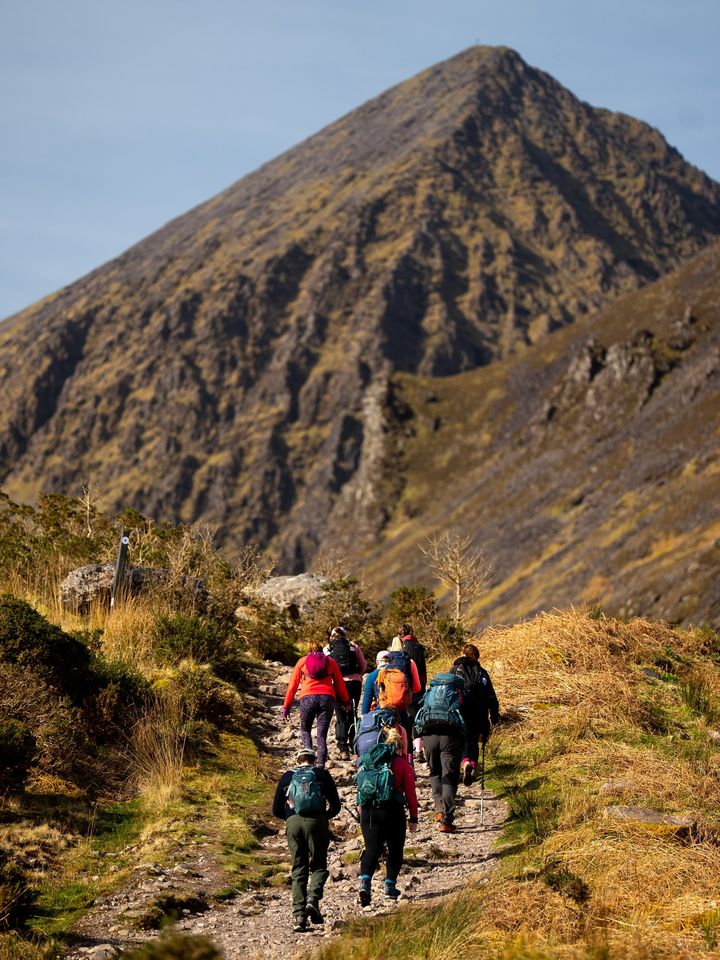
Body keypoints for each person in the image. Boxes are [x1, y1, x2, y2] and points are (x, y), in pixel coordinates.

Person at [272, 747, 342, 932]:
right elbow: (336, 806)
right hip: (317, 821)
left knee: (298, 868)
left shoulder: (287, 776)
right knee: (318, 863)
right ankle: (313, 898)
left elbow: (275, 810)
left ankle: (299, 917)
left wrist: (290, 817)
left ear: (298, 761)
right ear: (313, 760)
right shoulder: (321, 774)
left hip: (293, 823)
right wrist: (324, 817)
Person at [357, 728, 418, 906]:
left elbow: (361, 787)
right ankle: (389, 886)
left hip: (368, 810)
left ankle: (365, 884)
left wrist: (361, 808)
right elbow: (411, 794)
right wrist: (413, 818)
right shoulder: (401, 764)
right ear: (399, 747)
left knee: (371, 849)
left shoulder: (369, 761)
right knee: (395, 849)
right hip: (392, 811)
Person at [282, 642, 351, 768]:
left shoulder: (302, 661)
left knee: (305, 729)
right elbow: (340, 684)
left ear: (309, 650)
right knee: (321, 735)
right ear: (322, 651)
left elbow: (292, 685)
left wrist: (286, 706)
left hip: (307, 698)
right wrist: (346, 701)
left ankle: (308, 761)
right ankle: (320, 766)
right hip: (327, 699)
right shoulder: (331, 662)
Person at [414, 671, 466, 834]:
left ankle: (438, 810)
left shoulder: (430, 692)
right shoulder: (459, 694)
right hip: (450, 737)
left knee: (435, 772)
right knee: (449, 775)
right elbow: (469, 716)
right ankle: (447, 819)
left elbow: (417, 710)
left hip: (429, 735)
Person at [450, 643, 500, 786]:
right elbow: (491, 695)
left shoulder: (455, 670)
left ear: (463, 653)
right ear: (477, 656)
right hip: (480, 711)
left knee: (463, 738)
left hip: (461, 710)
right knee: (473, 739)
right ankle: (473, 766)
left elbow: (448, 691)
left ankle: (465, 762)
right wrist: (494, 716)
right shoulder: (482, 672)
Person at [323, 625, 367, 761]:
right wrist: (357, 674)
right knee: (353, 712)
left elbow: (325, 668)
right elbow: (363, 665)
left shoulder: (327, 648)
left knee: (341, 715)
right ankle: (355, 745)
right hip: (355, 683)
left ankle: (343, 749)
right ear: (344, 635)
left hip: (337, 683)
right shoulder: (353, 646)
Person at [398, 624, 427, 760]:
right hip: (420, 686)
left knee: (407, 720)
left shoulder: (402, 648)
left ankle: (408, 753)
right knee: (418, 717)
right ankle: (419, 749)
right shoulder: (419, 646)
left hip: (407, 687)